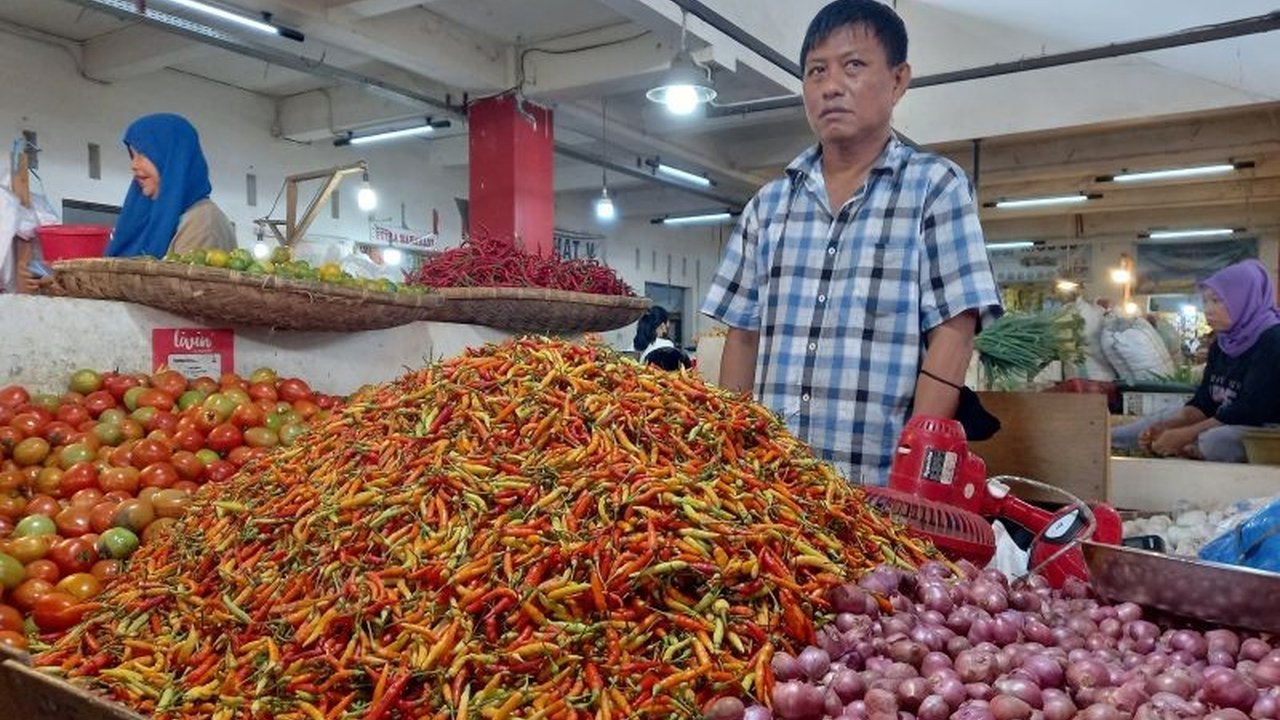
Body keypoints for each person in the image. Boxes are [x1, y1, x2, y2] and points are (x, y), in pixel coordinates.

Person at [700, 0, 1002, 485]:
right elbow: (744, 336)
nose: (831, 86)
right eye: (816, 71)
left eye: (854, 65)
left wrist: (913, 477)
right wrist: (733, 460)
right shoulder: (768, 206)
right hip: (773, 491)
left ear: (898, 81)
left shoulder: (934, 188)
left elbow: (954, 331)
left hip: (877, 491)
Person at [1112, 259, 1280, 462]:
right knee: (1166, 416)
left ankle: (1192, 448)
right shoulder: (1222, 343)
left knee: (1217, 439)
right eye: (1205, 302)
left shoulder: (1273, 340)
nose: (1208, 309)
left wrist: (1187, 434)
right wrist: (1167, 427)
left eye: (1217, 301)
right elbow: (1204, 402)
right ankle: (1107, 439)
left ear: (1244, 299)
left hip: (1266, 429)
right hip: (1227, 421)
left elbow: (1249, 410)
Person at [105, 113, 236, 258]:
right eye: (132, 155)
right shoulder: (153, 217)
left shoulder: (203, 222)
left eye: (143, 154)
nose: (134, 165)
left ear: (174, 159)